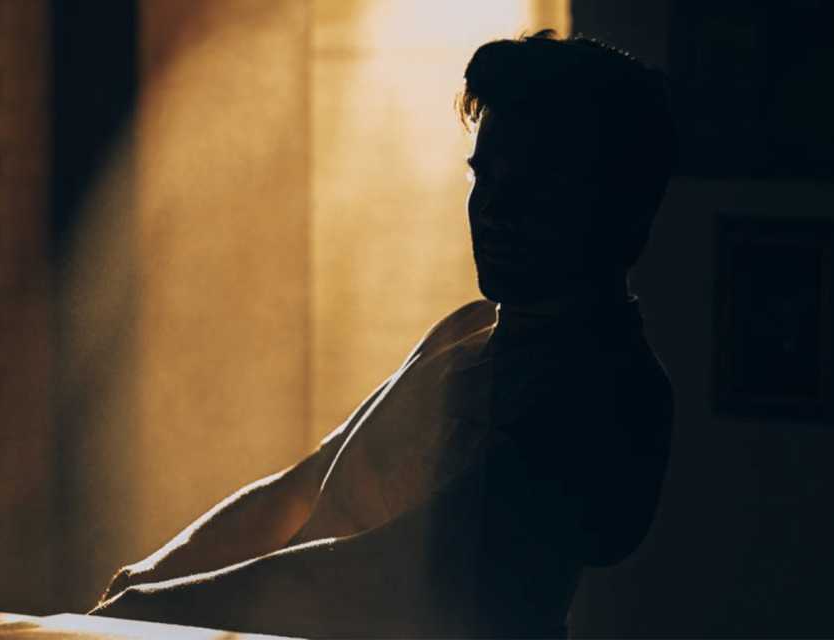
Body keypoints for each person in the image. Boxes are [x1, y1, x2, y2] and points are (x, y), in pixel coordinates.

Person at [91, 30, 676, 639]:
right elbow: (308, 484)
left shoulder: (611, 394)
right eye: (487, 177)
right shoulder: (465, 330)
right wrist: (147, 577)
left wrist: (150, 608)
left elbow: (391, 571)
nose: (496, 209)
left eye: (540, 186)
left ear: (619, 205)